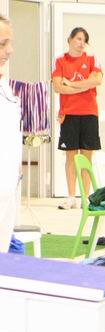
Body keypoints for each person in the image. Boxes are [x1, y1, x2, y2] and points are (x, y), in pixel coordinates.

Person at [51, 27, 103, 210]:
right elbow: (58, 87)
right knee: (71, 157)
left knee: (87, 157)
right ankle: (71, 197)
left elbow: (97, 80)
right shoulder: (60, 61)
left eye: (84, 40)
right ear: (70, 39)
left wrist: (71, 84)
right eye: (79, 39)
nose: (82, 43)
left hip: (89, 114)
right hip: (69, 114)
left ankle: (85, 197)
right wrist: (84, 86)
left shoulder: (92, 59)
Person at [0, 15, 21, 253]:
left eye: (10, 43)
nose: (9, 50)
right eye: (2, 44)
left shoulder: (4, 84)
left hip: (7, 188)